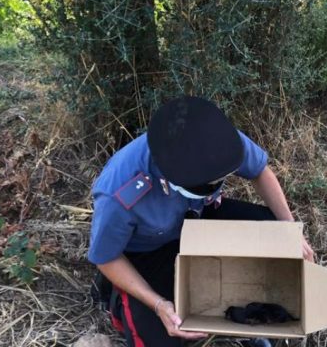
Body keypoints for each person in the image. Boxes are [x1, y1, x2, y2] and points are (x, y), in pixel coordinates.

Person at [88, 96, 314, 347]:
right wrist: (158, 304)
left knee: (274, 235)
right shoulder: (119, 191)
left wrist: (290, 231)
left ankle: (253, 324)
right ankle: (117, 300)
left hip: (200, 220)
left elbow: (260, 171)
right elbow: (106, 258)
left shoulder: (216, 140)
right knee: (161, 338)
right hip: (147, 253)